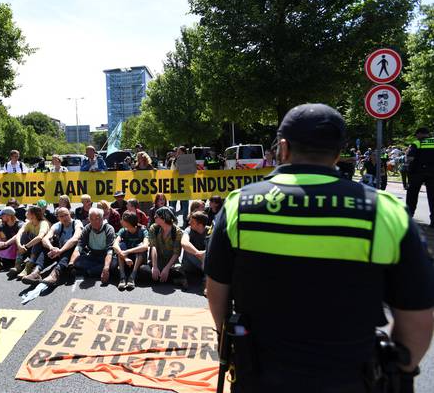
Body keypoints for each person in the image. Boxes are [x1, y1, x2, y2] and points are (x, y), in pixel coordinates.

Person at [205, 103, 434, 393]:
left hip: (259, 375)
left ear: (284, 148)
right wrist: (394, 370)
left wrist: (226, 340)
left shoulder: (241, 205)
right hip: (351, 378)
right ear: (338, 153)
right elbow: (418, 318)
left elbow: (216, 290)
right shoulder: (384, 212)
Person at [141, 207, 187, 288]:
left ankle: (161, 277)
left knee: (178, 270)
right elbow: (153, 247)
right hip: (157, 261)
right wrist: (155, 267)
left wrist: (166, 269)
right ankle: (170, 279)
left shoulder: (177, 232)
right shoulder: (154, 228)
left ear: (164, 218)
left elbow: (176, 253)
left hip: (171, 263)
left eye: (156, 217)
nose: (154, 218)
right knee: (142, 270)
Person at [69, 208, 117, 284]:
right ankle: (96, 271)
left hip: (106, 256)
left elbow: (110, 251)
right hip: (93, 256)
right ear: (89, 219)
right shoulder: (87, 228)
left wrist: (106, 267)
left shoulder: (108, 229)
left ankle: (89, 272)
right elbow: (79, 247)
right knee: (77, 262)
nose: (94, 221)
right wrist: (71, 264)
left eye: (97, 219)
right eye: (92, 219)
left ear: (102, 218)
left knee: (113, 264)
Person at [38, 207, 83, 286]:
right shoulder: (57, 225)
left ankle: (55, 273)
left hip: (74, 252)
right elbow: (45, 239)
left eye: (66, 215)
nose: (64, 218)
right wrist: (51, 248)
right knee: (45, 244)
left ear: (70, 214)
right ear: (58, 218)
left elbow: (75, 238)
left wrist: (60, 250)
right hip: (59, 252)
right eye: (61, 216)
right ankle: (36, 271)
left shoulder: (77, 222)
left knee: (69, 242)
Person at [7, 206, 50, 283]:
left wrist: (26, 246)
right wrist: (20, 246)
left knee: (37, 240)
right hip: (30, 248)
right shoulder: (28, 223)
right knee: (24, 235)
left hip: (42, 249)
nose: (26, 213)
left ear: (33, 215)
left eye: (28, 212)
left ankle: (28, 267)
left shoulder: (43, 223)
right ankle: (18, 265)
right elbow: (18, 234)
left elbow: (40, 237)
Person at [113, 211, 149, 291]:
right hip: (126, 258)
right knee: (120, 246)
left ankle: (132, 276)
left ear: (128, 222)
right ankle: (122, 277)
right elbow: (115, 245)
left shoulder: (142, 230)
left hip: (138, 258)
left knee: (140, 246)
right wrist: (125, 257)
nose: (121, 221)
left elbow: (145, 246)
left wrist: (128, 251)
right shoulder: (123, 230)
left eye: (123, 220)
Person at [406, 127, 434, 226]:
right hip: (432, 173)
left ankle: (408, 218)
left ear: (420, 134)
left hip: (417, 173)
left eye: (417, 135)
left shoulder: (417, 143)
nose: (416, 137)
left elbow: (410, 158)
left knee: (412, 195)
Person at [181, 211, 210, 295]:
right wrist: (197, 253)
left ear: (200, 225)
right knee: (188, 248)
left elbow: (217, 247)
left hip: (205, 262)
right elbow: (184, 242)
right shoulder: (188, 230)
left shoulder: (210, 231)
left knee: (209, 254)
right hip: (191, 263)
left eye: (192, 222)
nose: (189, 223)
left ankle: (207, 284)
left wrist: (204, 253)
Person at [169, 145, 189, 221]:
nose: (178, 153)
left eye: (180, 152)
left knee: (185, 205)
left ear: (184, 153)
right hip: (175, 185)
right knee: (172, 204)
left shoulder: (188, 161)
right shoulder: (174, 160)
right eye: (177, 152)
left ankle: (185, 222)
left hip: (184, 185)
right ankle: (172, 221)